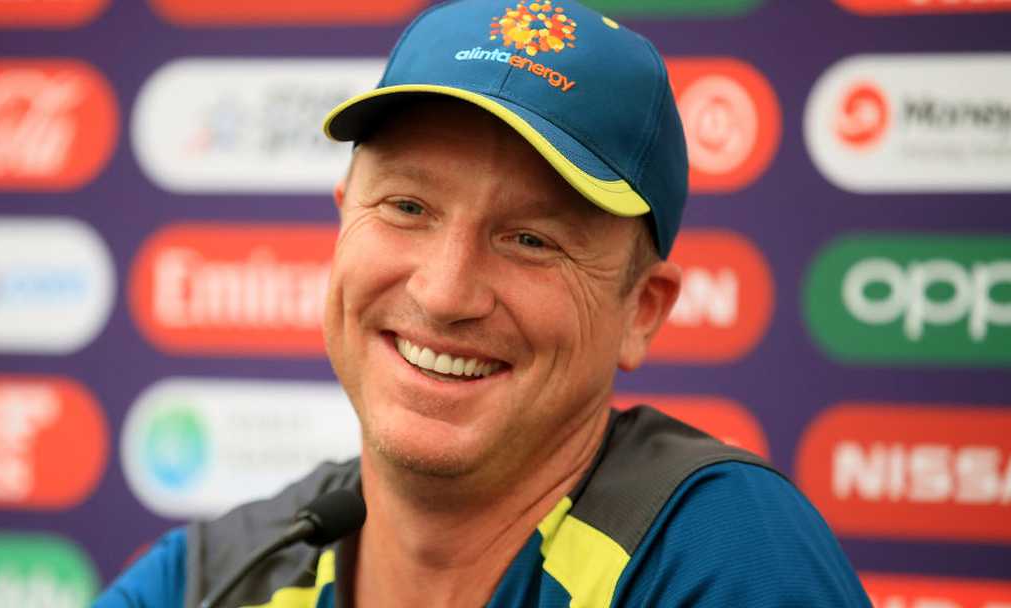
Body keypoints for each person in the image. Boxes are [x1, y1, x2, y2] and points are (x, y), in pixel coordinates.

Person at [96, 1, 872, 606]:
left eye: (531, 239)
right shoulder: (215, 579)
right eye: (407, 207)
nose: (443, 293)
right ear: (343, 219)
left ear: (642, 309)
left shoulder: (726, 557)